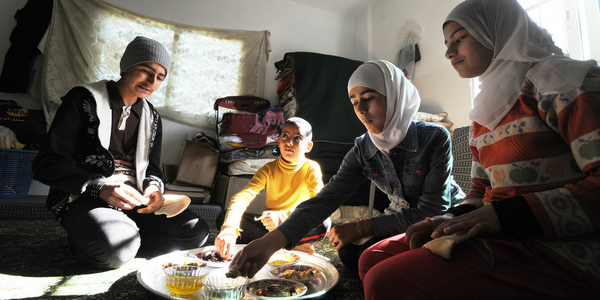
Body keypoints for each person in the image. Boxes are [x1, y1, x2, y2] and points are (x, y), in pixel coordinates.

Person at [357, 0, 600, 299]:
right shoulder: (485, 113)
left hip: (556, 244)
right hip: (501, 228)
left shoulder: (562, 83)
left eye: (459, 39)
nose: (447, 52)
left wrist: (500, 216)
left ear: (497, 31)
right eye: (447, 43)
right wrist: (450, 218)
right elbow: (481, 190)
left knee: (386, 281)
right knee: (372, 257)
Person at [230, 59, 464, 275]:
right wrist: (268, 244)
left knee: (374, 257)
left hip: (442, 218)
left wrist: (363, 226)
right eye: (354, 102)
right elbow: (325, 200)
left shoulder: (435, 137)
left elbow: (433, 209)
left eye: (369, 97)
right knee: (350, 253)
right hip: (403, 217)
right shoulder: (364, 149)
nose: (361, 110)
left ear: (394, 95)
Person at [32, 36, 210, 269]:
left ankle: (120, 240)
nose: (152, 82)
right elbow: (46, 163)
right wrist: (100, 187)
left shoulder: (152, 116)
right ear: (126, 67)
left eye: (160, 77)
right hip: (86, 198)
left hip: (133, 200)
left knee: (196, 232)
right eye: (146, 71)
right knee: (115, 251)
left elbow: (153, 168)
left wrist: (154, 187)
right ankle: (102, 240)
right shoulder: (83, 100)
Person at [215, 117, 331, 258]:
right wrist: (229, 228)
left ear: (308, 146)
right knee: (223, 218)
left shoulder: (310, 168)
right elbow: (243, 196)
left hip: (296, 224)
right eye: (285, 136)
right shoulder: (268, 169)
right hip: (271, 228)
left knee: (324, 223)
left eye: (297, 138)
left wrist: (283, 216)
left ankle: (276, 244)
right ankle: (291, 246)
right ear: (279, 140)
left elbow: (316, 202)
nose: (289, 142)